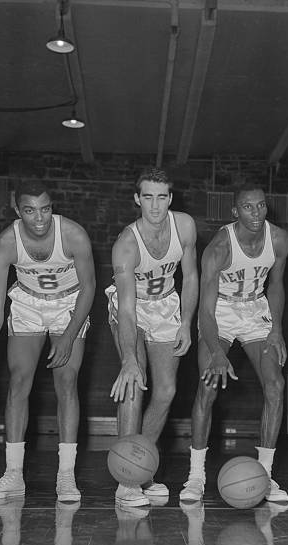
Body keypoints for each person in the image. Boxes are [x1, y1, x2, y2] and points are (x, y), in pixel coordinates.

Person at [0, 179, 95, 502]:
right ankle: (14, 475)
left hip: (70, 304)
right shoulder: (5, 244)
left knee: (67, 380)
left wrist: (69, 335)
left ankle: (66, 476)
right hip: (29, 303)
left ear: (52, 206)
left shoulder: (73, 235)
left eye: (45, 209)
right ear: (17, 210)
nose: (40, 218)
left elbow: (89, 288)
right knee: (18, 381)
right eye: (30, 211)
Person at [180, 182, 288, 503]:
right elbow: (205, 310)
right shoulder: (218, 249)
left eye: (260, 205)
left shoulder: (279, 239)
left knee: (276, 386)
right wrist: (216, 351)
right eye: (247, 207)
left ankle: (266, 476)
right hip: (221, 311)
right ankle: (196, 476)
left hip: (256, 308)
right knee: (208, 385)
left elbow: (277, 285)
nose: (255, 213)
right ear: (234, 211)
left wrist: (277, 329)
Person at [106, 167, 198, 507]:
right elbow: (127, 311)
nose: (155, 206)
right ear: (137, 199)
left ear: (170, 198)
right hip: (133, 308)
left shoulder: (185, 226)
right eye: (148, 197)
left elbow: (190, 278)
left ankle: (140, 467)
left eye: (162, 197)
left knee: (168, 390)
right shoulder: (126, 245)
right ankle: (125, 483)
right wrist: (129, 359)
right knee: (134, 380)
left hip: (167, 306)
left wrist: (187, 322)